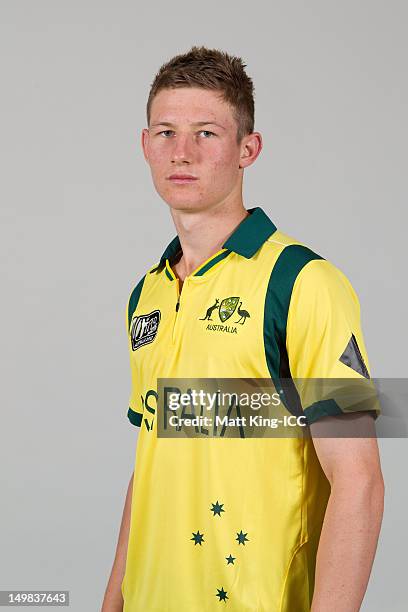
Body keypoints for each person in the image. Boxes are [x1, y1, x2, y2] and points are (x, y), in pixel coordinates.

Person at [101, 46, 384, 612]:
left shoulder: (300, 282)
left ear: (246, 149)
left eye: (206, 132)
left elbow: (359, 485)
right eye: (165, 132)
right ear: (144, 145)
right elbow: (152, 456)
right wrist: (114, 601)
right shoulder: (147, 294)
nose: (181, 153)